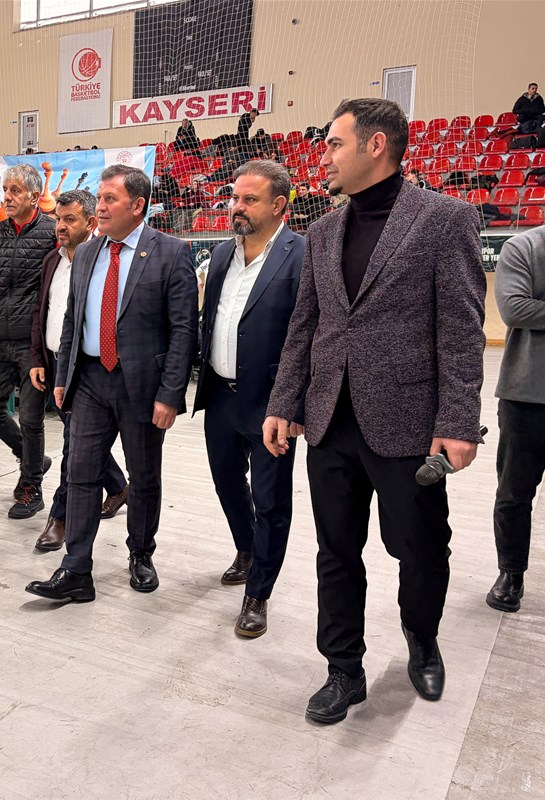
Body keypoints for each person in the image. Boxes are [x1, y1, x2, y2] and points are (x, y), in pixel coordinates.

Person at [263, 98, 486, 724]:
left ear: (376, 145)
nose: (324, 157)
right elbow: (305, 326)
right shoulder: (323, 231)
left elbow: (462, 332)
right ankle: (343, 668)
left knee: (420, 546)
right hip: (329, 419)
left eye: (335, 144)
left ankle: (422, 638)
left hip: (409, 422)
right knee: (335, 549)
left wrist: (458, 422)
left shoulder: (445, 219)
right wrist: (284, 401)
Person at [25, 164, 198, 603]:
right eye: (99, 199)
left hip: (142, 386)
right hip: (88, 380)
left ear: (137, 205)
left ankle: (140, 553)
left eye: (109, 200)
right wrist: (64, 375)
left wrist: (170, 394)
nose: (99, 207)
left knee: (144, 476)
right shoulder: (87, 253)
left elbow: (183, 331)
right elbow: (73, 318)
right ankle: (76, 569)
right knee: (80, 473)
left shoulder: (171, 252)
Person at [192, 160, 304, 638]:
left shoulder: (303, 255)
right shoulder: (221, 254)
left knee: (271, 499)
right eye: (235, 198)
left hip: (271, 403)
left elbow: (309, 336)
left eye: (249, 199)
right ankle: (247, 548)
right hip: (220, 394)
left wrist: (294, 405)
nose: (236, 207)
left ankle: (258, 593)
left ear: (278, 205)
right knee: (226, 483)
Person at [29, 190, 128, 553]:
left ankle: (60, 518)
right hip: (55, 363)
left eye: (69, 220)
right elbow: (43, 312)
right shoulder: (51, 261)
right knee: (82, 442)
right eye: (58, 218)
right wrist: (38, 357)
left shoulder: (105, 259)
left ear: (90, 222)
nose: (60, 226)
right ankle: (117, 486)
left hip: (86, 368)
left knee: (73, 447)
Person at [0, 163, 58, 519]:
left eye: (15, 190)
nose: (7, 196)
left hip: (32, 344)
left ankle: (31, 486)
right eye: (5, 189)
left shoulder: (52, 232)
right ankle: (34, 458)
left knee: (31, 418)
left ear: (34, 196)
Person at [487, 224, 545, 613]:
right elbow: (514, 309)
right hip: (527, 392)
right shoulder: (523, 247)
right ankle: (511, 572)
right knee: (514, 492)